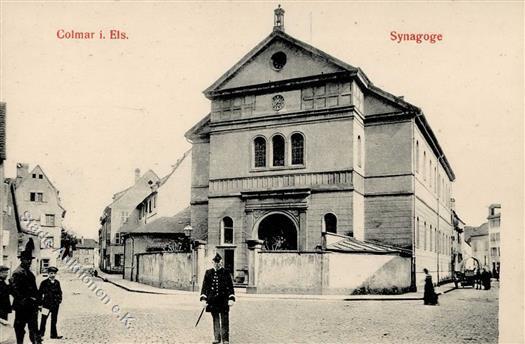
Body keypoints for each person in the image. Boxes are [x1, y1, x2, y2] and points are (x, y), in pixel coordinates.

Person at [200, 253, 235, 344]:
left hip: (223, 300)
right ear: (212, 262)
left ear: (221, 263)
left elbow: (230, 287)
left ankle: (225, 339)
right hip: (212, 301)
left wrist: (231, 298)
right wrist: (204, 299)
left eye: (219, 262)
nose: (217, 264)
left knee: (224, 319)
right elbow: (205, 287)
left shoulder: (226, 272)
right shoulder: (208, 272)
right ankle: (217, 338)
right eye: (215, 262)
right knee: (215, 319)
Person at [10, 250, 42, 344]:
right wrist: (26, 299)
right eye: (27, 259)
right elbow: (14, 290)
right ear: (22, 259)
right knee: (20, 328)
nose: (29, 262)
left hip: (32, 306)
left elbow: (35, 289)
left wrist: (38, 302)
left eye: (30, 260)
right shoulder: (17, 273)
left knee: (34, 328)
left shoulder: (30, 273)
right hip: (22, 306)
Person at [38, 266, 63, 339]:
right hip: (46, 304)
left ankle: (54, 335)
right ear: (48, 274)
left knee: (54, 320)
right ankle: (41, 335)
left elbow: (60, 292)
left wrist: (59, 300)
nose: (53, 275)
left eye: (54, 273)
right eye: (51, 273)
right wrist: (40, 304)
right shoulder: (44, 283)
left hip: (55, 305)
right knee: (43, 319)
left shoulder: (57, 282)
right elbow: (40, 294)